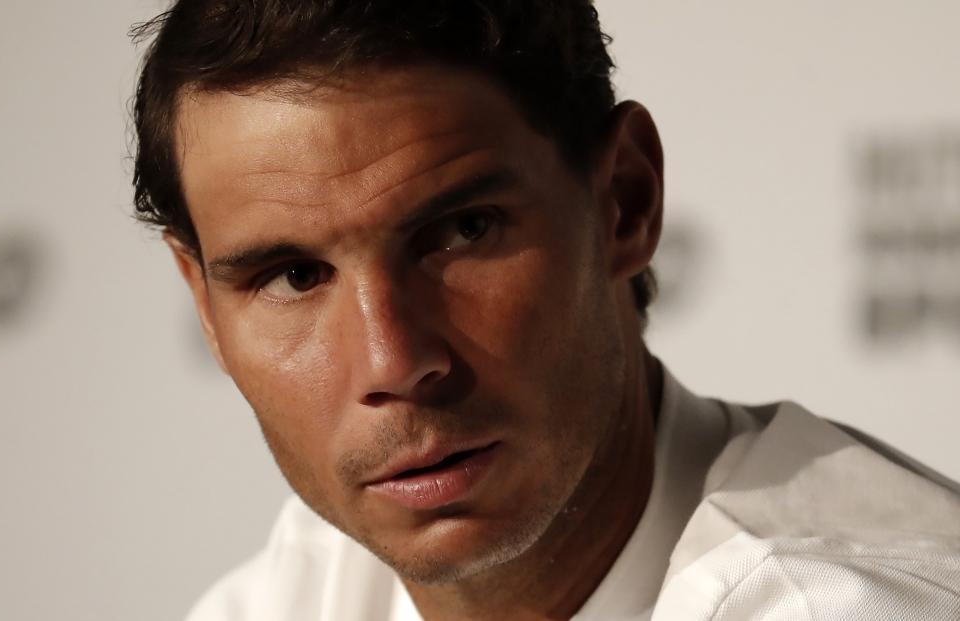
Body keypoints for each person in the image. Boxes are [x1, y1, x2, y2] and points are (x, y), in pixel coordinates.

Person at [128, 1, 960, 619]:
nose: (392, 360)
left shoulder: (837, 602)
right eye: (293, 276)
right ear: (203, 303)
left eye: (462, 230)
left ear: (624, 202)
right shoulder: (287, 599)